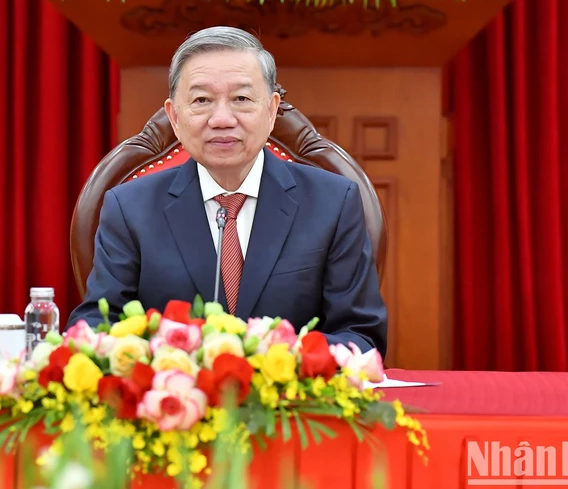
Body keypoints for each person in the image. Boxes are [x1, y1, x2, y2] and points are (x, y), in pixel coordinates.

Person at [66, 26, 388, 358]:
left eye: (241, 99)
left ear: (272, 109)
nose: (222, 119)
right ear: (174, 117)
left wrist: (276, 358)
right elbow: (97, 327)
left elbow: (359, 336)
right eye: (202, 100)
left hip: (290, 403)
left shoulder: (332, 203)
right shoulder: (129, 208)